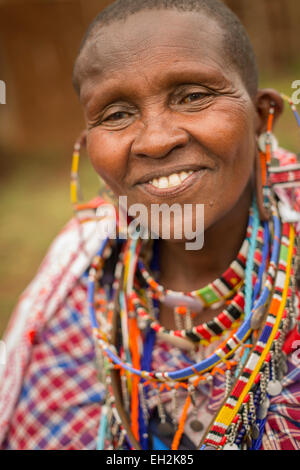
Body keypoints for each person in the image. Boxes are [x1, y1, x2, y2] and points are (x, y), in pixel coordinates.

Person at [0, 0, 300, 451]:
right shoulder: (80, 273)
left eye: (193, 96)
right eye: (116, 114)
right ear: (88, 143)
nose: (157, 140)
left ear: (263, 115)